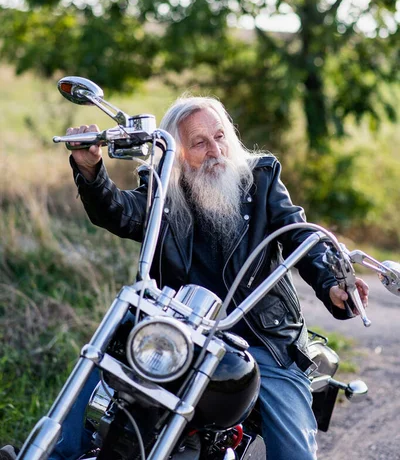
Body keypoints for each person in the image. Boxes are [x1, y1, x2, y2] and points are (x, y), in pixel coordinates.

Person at [3, 96, 369, 460]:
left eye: (221, 137)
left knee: (294, 453)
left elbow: (300, 234)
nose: (215, 150)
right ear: (177, 153)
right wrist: (90, 171)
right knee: (104, 359)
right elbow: (120, 213)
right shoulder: (164, 186)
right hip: (179, 333)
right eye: (199, 142)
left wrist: (332, 284)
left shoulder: (260, 179)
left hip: (262, 340)